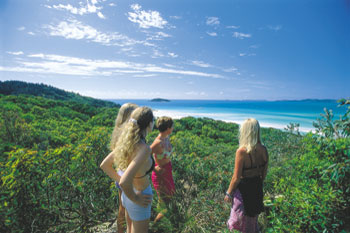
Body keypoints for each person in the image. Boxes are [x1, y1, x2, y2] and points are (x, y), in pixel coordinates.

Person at [115, 106, 155, 233]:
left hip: (128, 195)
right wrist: (136, 198)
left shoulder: (127, 143)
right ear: (149, 124)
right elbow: (123, 182)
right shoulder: (144, 149)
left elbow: (105, 165)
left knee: (129, 229)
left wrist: (130, 195)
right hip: (139, 195)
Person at [224, 118, 269, 233]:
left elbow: (236, 177)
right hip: (257, 189)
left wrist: (228, 193)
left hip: (243, 191)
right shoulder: (264, 150)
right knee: (252, 222)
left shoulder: (241, 152)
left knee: (237, 222)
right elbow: (263, 175)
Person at [100, 103, 138, 233]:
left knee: (123, 209)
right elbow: (106, 163)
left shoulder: (118, 131)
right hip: (126, 176)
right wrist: (122, 180)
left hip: (122, 174)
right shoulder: (126, 134)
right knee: (128, 211)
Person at [150, 116, 176, 223]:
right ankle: (155, 226)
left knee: (166, 201)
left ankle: (161, 225)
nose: (173, 128)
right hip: (160, 175)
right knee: (166, 204)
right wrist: (154, 168)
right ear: (168, 128)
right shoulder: (158, 142)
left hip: (167, 173)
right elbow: (144, 156)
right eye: (172, 126)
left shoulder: (166, 138)